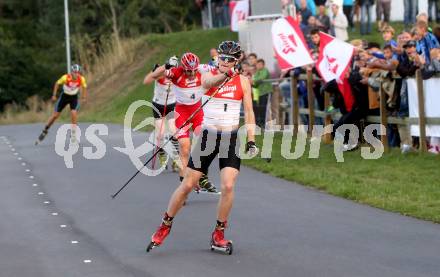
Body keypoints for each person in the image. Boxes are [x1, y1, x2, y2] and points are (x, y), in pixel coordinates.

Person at [146, 41, 258, 254]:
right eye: (221, 58)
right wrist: (225, 75)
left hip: (230, 138)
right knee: (188, 185)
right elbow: (208, 84)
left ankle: (219, 233)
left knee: (227, 186)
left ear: (236, 61)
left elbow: (250, 111)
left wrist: (251, 139)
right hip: (208, 137)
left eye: (228, 59)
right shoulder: (207, 73)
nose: (223, 62)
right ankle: (165, 224)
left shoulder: (243, 81)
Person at [149, 52, 217, 192]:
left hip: (197, 112)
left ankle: (202, 177)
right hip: (182, 114)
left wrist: (220, 63)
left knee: (204, 145)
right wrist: (166, 65)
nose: (192, 73)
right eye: (188, 70)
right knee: (185, 148)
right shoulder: (176, 72)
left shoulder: (202, 69)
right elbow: (155, 75)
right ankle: (183, 185)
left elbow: (219, 68)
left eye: (193, 70)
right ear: (183, 67)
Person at [36, 64, 87, 144]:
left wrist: (84, 97)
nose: (76, 74)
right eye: (74, 72)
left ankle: (73, 135)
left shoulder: (81, 79)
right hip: (64, 97)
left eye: (78, 72)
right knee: (55, 116)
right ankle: (45, 129)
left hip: (74, 97)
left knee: (74, 113)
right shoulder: (66, 78)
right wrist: (54, 95)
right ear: (71, 72)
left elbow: (84, 87)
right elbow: (57, 83)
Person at [143, 57, 179, 171]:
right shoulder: (161, 73)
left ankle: (176, 159)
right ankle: (162, 154)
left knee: (174, 133)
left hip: (171, 105)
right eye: (170, 67)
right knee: (161, 134)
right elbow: (146, 81)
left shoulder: (178, 74)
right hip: (158, 105)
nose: (172, 70)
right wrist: (154, 71)